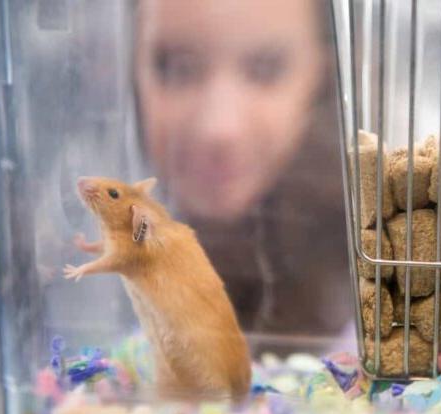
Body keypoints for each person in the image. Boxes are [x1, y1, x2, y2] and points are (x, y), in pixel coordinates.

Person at [134, 0, 355, 353]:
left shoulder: (377, 291)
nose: (219, 129)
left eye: (265, 70)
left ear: (324, 75)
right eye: (178, 68)